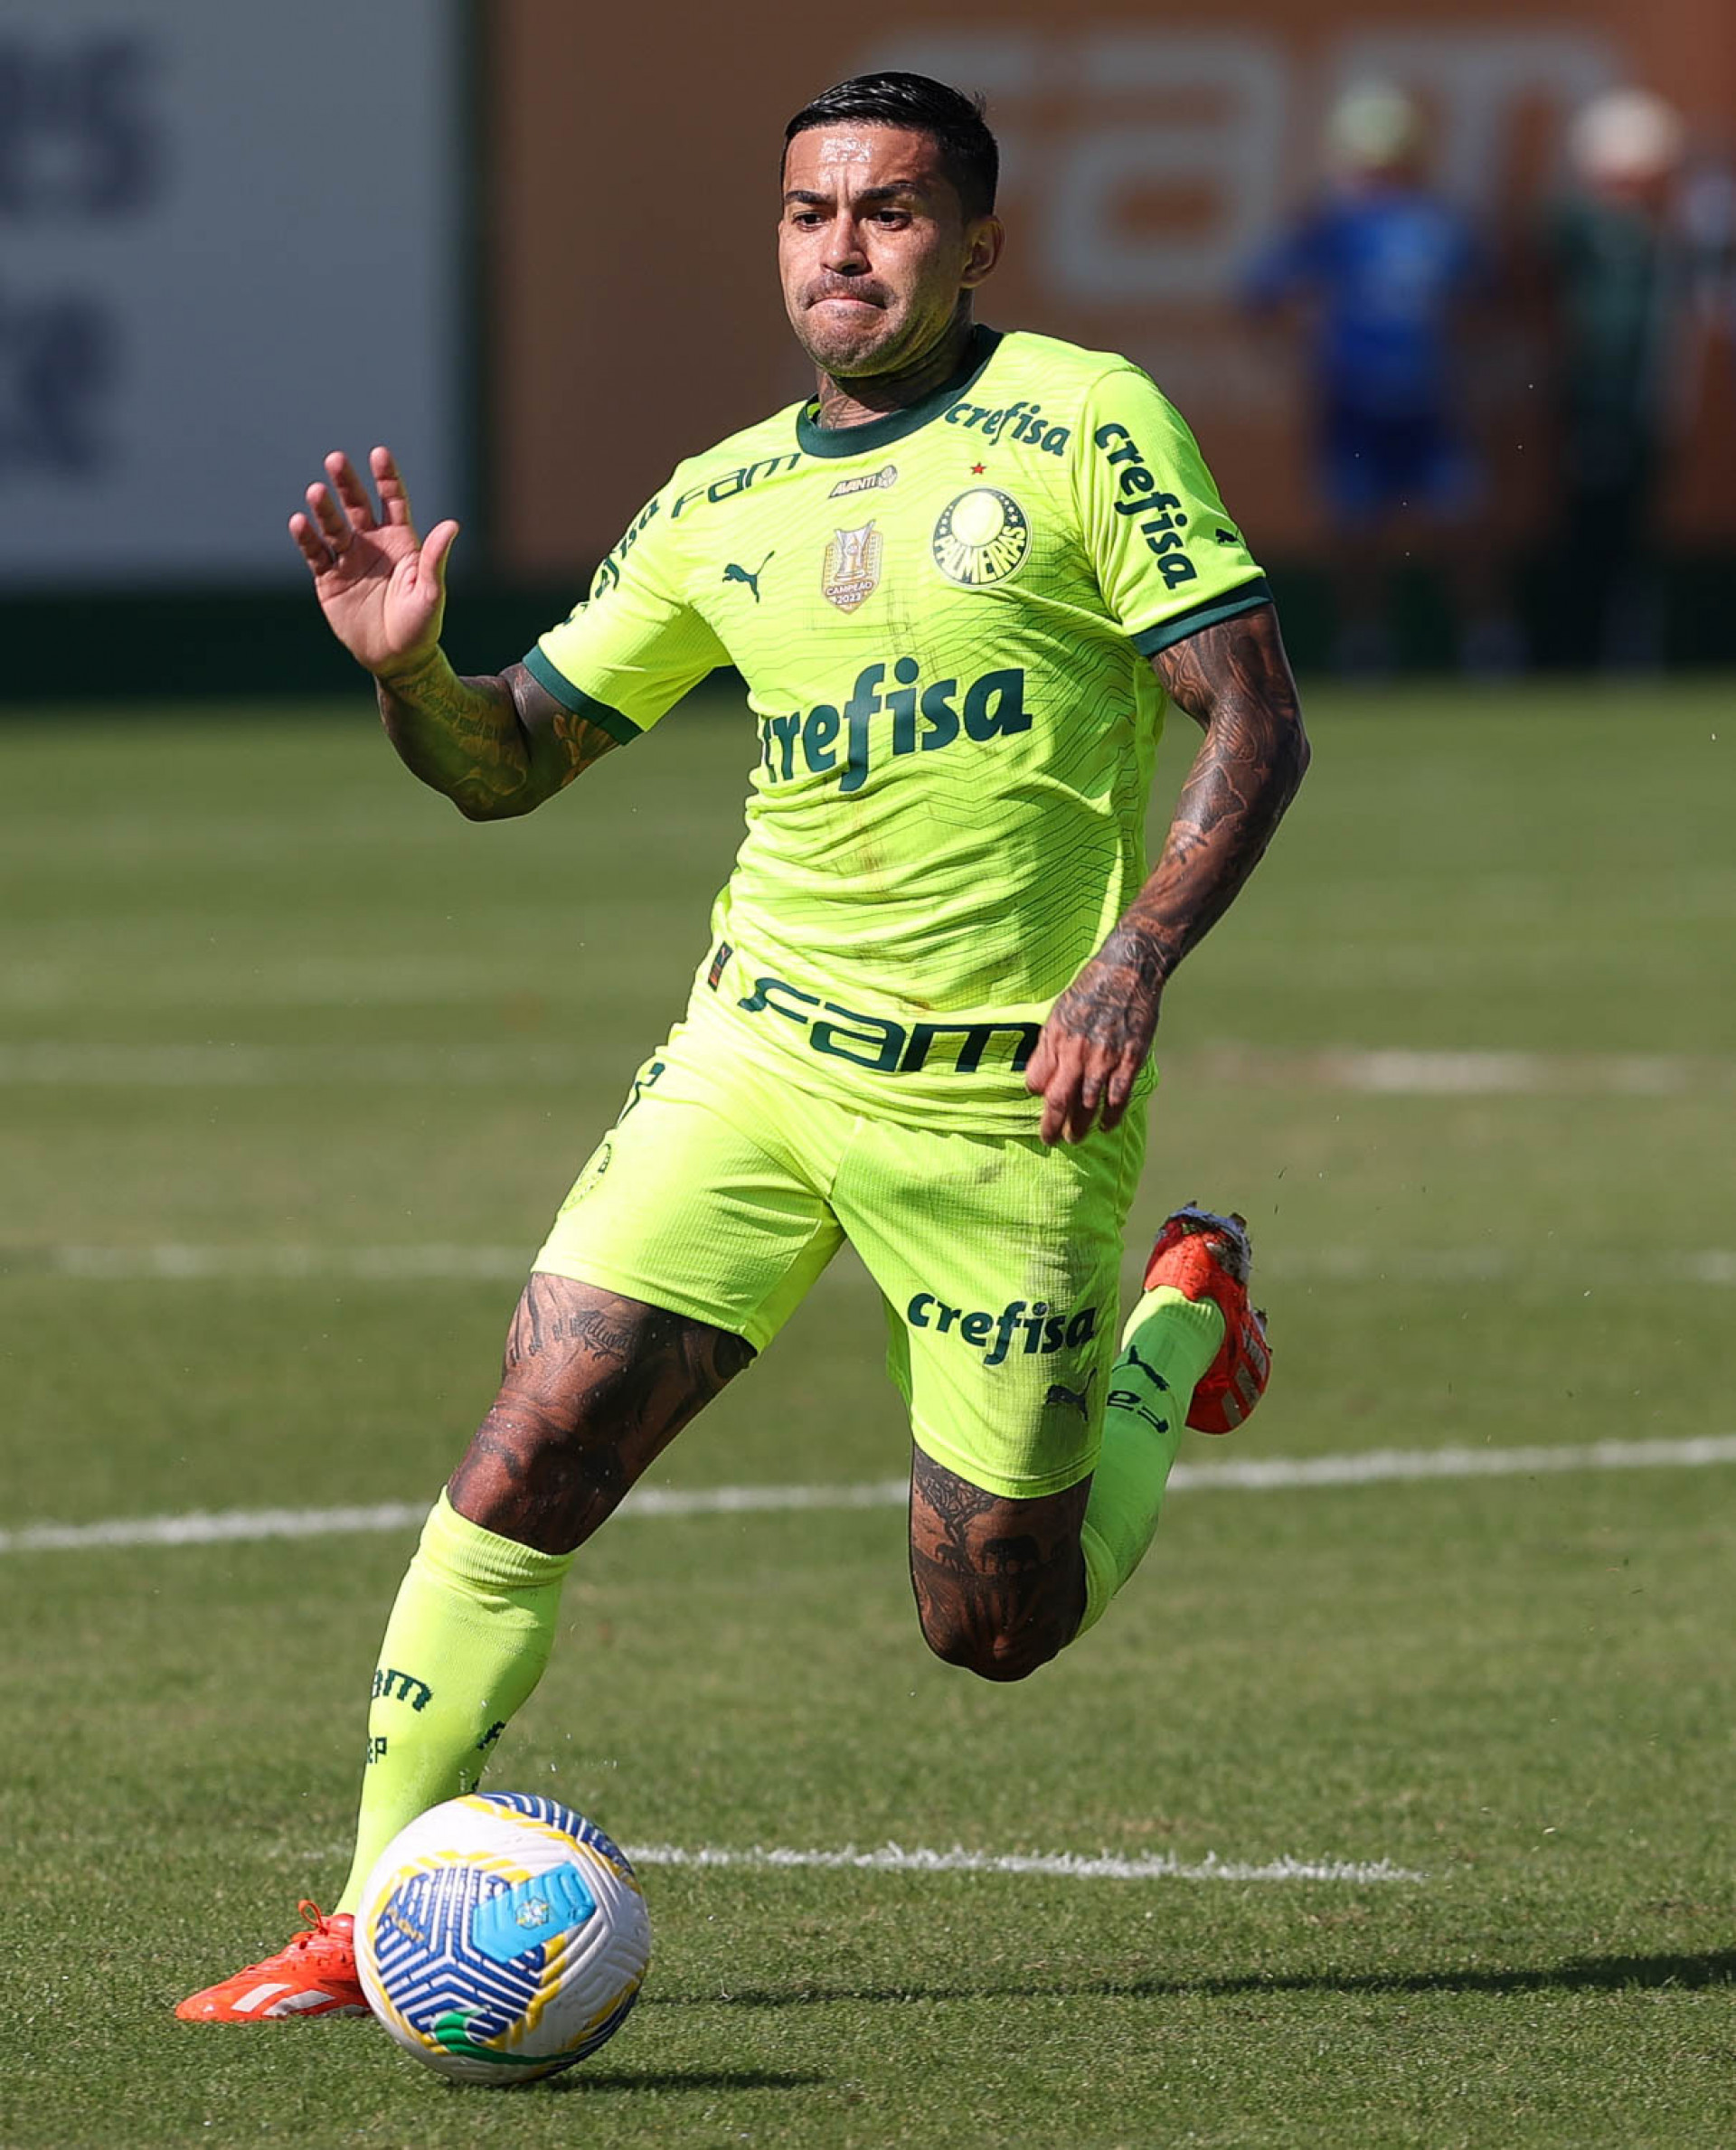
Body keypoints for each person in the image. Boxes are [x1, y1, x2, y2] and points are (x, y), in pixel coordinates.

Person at [177, 71, 1308, 2023]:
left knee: (994, 1628)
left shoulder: (1083, 419)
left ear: (975, 242)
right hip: (756, 1060)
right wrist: (411, 674)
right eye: (808, 213)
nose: (841, 248)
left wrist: (1130, 961)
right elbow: (510, 765)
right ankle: (368, 1918)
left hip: (1005, 1106)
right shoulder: (724, 495)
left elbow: (1252, 715)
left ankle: (1182, 1323)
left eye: (886, 212)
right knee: (527, 1452)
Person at [1243, 84, 1515, 674]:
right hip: (1354, 404)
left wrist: (1468, 359)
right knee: (1355, 532)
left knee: (1462, 526)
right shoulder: (1328, 222)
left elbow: (1489, 298)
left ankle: (1486, 643)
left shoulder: (1443, 223)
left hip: (1430, 402)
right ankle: (1365, 645)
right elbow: (1260, 292)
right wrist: (1302, 350)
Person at [1538, 90, 1692, 669]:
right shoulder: (1587, 232)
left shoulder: (1663, 236)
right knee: (1589, 533)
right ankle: (1575, 651)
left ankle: (1621, 649)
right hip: (1593, 405)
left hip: (1642, 407)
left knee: (1634, 534)